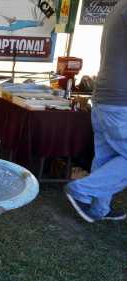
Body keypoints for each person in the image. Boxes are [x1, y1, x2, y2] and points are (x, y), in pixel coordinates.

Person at [65, 0, 127, 223]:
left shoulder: (118, 7)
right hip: (120, 102)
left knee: (106, 157)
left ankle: (98, 208)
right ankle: (83, 190)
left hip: (105, 98)